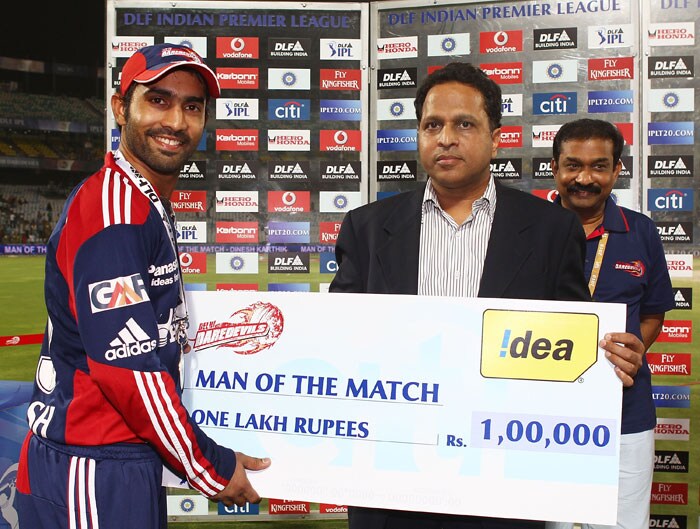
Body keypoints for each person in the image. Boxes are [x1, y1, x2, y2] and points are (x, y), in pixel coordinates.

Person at [15, 43, 271, 529]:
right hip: (91, 466)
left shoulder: (140, 200)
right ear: (119, 107)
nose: (176, 120)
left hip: (111, 459)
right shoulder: (115, 210)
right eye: (158, 99)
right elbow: (127, 372)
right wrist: (210, 467)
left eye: (192, 106)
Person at [330, 61, 595, 528]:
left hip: (503, 482)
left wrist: (607, 357)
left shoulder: (553, 231)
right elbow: (337, 342)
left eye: (464, 124)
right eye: (432, 124)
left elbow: (575, 346)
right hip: (390, 480)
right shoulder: (367, 228)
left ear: (496, 138)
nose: (445, 137)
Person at [548, 118, 674, 529]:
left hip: (625, 412)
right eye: (573, 166)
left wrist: (632, 350)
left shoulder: (642, 232)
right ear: (555, 168)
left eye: (599, 166)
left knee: (622, 523)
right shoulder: (529, 230)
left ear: (617, 170)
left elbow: (653, 312)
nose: (585, 178)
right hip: (540, 415)